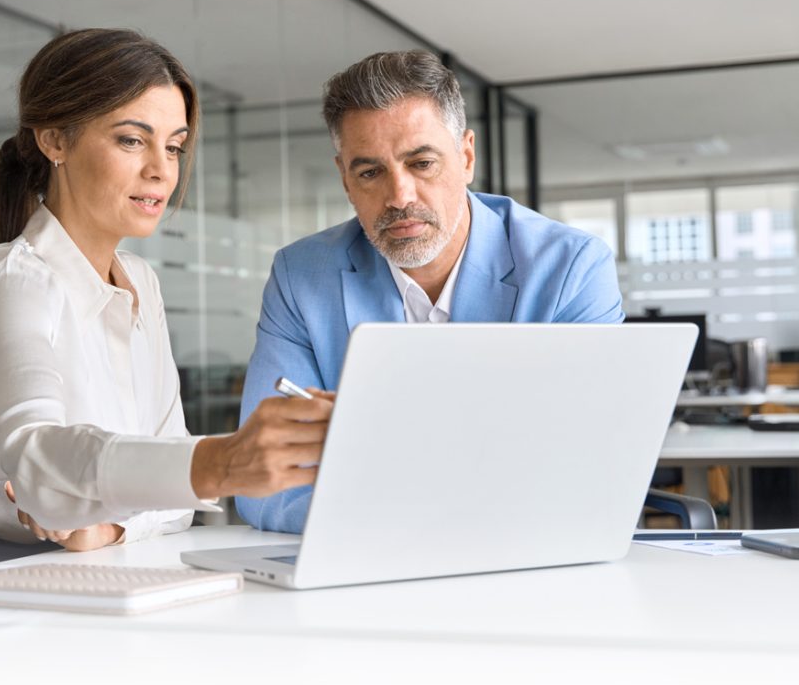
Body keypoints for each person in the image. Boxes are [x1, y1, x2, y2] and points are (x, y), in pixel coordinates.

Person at [0, 29, 331, 552]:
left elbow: (176, 499)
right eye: (132, 140)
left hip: (76, 563)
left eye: (175, 146)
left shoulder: (141, 282)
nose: (161, 170)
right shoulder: (12, 281)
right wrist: (218, 462)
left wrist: (112, 527)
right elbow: (37, 458)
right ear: (54, 141)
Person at [234, 50, 624, 534]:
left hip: (524, 562)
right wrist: (416, 528)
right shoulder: (301, 277)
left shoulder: (570, 267)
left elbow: (589, 460)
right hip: (363, 566)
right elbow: (263, 480)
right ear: (344, 179)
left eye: (421, 163)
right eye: (370, 172)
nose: (399, 197)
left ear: (465, 157)